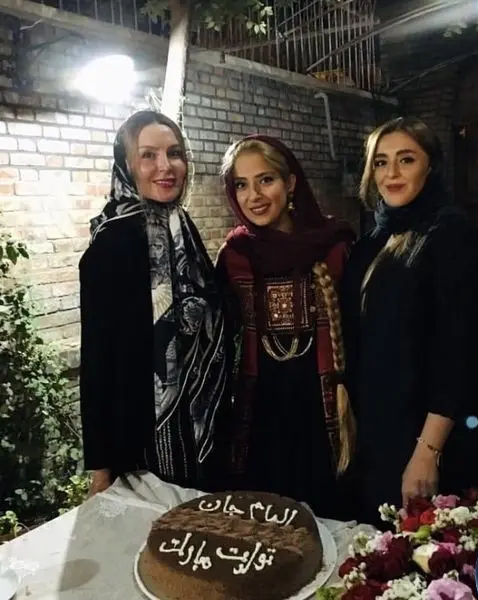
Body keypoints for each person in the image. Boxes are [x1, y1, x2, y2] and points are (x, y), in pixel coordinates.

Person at [341, 116, 478, 525]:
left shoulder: (452, 236)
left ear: (430, 166)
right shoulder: (372, 241)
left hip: (434, 431)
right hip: (381, 424)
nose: (392, 174)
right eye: (381, 162)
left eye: (406, 160)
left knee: (433, 550)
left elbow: (459, 356)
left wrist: (427, 452)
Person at [79, 110, 231, 497]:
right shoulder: (112, 243)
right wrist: (100, 467)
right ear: (126, 164)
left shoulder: (182, 226)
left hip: (202, 425)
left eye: (174, 153)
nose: (165, 167)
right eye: (148, 155)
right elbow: (97, 358)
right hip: (142, 438)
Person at [216, 134, 357, 520]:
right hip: (260, 416)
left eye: (266, 180)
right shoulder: (234, 256)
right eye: (241, 185)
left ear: (291, 182)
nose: (254, 196)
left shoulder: (334, 247)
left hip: (324, 412)